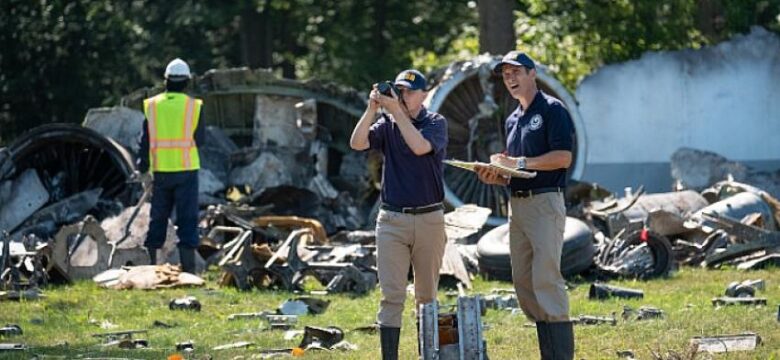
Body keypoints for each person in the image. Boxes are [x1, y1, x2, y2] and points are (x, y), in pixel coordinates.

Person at [476, 51, 575, 359]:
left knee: (546, 277)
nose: (510, 79)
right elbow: (518, 172)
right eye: (505, 75)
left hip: (545, 202)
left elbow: (563, 158)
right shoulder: (512, 119)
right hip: (516, 207)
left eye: (516, 72)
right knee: (523, 282)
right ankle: (549, 348)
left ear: (532, 73)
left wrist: (516, 161)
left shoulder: (552, 109)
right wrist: (497, 176)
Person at [349, 69, 448, 360]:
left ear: (424, 94)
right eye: (400, 90)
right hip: (392, 220)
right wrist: (372, 109)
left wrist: (395, 112)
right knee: (391, 296)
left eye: (408, 91)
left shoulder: (435, 122)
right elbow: (357, 143)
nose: (402, 96)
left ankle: (427, 354)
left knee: (426, 297)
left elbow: (419, 147)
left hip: (429, 218)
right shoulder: (387, 123)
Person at [137, 58, 204, 274]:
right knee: (187, 220)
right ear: (187, 82)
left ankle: (150, 269)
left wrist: (143, 167)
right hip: (186, 171)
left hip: (161, 172)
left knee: (157, 219)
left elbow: (145, 140)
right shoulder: (194, 107)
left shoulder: (152, 106)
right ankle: (189, 272)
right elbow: (201, 140)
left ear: (166, 81)